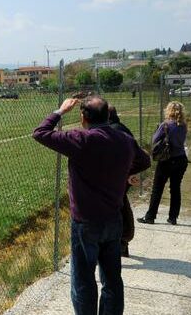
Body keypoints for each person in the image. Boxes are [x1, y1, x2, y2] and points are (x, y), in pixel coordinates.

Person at [33, 96, 150, 315]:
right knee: (112, 279)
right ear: (108, 115)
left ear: (83, 117)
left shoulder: (81, 140)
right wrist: (125, 173)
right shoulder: (124, 139)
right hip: (113, 219)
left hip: (85, 222)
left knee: (84, 280)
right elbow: (145, 160)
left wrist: (59, 111)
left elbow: (40, 133)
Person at [138, 101, 188, 226]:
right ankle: (173, 217)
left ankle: (150, 216)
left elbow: (154, 139)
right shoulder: (183, 125)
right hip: (181, 158)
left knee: (157, 189)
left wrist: (158, 131)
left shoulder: (165, 125)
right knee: (175, 189)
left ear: (168, 111)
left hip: (166, 159)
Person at [107, 105, 140, 258]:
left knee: (116, 209)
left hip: (118, 178)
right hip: (122, 176)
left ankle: (119, 243)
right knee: (120, 206)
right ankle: (122, 244)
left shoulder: (114, 131)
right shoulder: (120, 128)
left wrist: (127, 174)